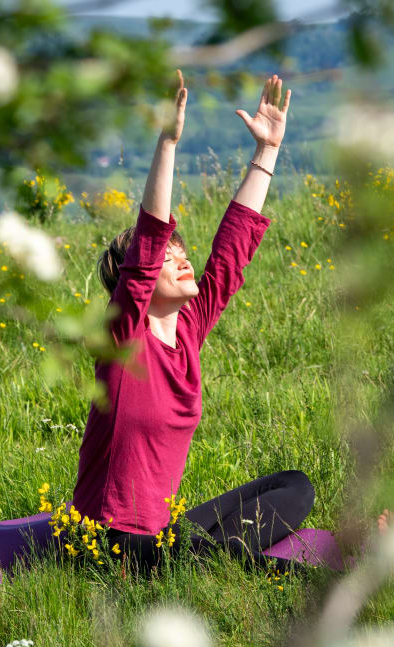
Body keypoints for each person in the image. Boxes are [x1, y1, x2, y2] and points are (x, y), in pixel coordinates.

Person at [70, 69, 317, 571]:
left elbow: (232, 251)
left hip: (160, 536)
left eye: (182, 253)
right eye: (169, 256)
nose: (182, 260)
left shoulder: (188, 330)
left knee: (294, 486)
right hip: (105, 542)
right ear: (135, 281)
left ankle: (213, 558)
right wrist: (167, 142)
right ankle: (242, 567)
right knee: (206, 555)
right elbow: (148, 242)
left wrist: (267, 151)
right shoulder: (123, 339)